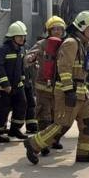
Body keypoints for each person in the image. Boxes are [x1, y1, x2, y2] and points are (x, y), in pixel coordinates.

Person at [23, 11, 89, 165]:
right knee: (62, 125)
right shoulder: (71, 43)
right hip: (69, 91)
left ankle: (84, 154)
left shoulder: (82, 44)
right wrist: (68, 91)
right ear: (81, 27)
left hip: (81, 91)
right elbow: (64, 68)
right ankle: (33, 144)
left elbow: (82, 67)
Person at [25, 15, 67, 149]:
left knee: (57, 115)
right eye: (54, 29)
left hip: (59, 87)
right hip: (43, 86)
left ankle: (54, 140)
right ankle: (42, 143)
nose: (57, 32)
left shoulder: (65, 45)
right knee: (44, 115)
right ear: (49, 31)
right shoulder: (42, 44)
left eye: (60, 29)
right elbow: (27, 58)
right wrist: (30, 58)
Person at [0, 21, 29, 143]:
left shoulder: (21, 50)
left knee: (21, 106)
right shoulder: (2, 50)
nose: (22, 38)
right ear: (12, 37)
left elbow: (21, 67)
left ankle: (15, 129)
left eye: (23, 36)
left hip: (17, 86)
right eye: (19, 36)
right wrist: (6, 85)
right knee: (2, 110)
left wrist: (23, 80)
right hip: (2, 88)